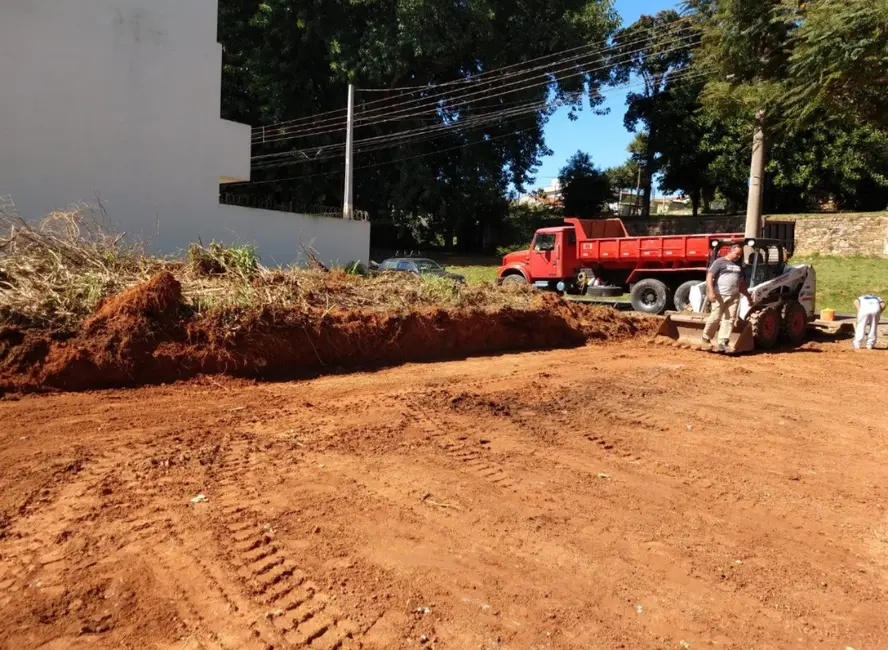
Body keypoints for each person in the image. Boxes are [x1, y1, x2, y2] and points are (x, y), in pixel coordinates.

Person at [702, 243, 752, 352]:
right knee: (715, 317)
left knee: (729, 319)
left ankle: (723, 342)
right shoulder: (719, 262)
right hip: (719, 294)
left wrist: (748, 296)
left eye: (740, 255)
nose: (738, 256)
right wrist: (711, 292)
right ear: (730, 251)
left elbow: (741, 283)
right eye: (737, 254)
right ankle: (706, 339)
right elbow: (710, 276)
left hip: (734, 296)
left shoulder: (739, 266)